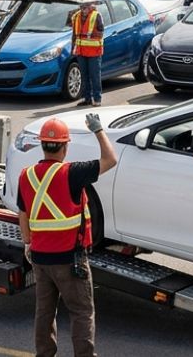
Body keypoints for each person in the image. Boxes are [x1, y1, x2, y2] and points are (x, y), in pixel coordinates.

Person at [18, 114, 117, 357]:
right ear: (65, 146)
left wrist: (27, 243)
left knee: (44, 312)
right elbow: (110, 159)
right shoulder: (73, 173)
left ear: (43, 145)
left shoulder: (26, 175)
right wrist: (98, 130)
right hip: (70, 260)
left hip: (40, 258)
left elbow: (23, 214)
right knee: (81, 312)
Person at [69, 0, 105, 105]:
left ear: (90, 7)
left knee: (95, 76)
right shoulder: (76, 16)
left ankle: (97, 99)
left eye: (85, 7)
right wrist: (73, 49)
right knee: (84, 76)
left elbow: (101, 32)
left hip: (94, 52)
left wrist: (90, 35)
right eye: (81, 7)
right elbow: (74, 34)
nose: (83, 10)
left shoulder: (96, 15)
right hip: (81, 51)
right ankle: (86, 98)